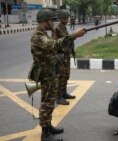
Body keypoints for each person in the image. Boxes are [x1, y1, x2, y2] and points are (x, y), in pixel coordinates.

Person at [29, 9, 86, 141]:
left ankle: (48, 126)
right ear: (44, 21)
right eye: (51, 20)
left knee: (49, 102)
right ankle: (45, 134)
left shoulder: (43, 33)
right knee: (47, 103)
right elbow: (53, 44)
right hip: (46, 74)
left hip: (51, 73)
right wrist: (73, 36)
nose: (53, 23)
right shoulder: (37, 36)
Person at [52, 9, 76, 105]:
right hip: (60, 57)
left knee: (66, 75)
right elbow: (55, 43)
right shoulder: (56, 29)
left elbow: (67, 40)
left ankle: (64, 93)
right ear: (61, 18)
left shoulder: (64, 28)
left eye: (67, 18)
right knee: (60, 77)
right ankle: (59, 97)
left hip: (66, 56)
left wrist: (72, 50)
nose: (67, 20)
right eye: (66, 18)